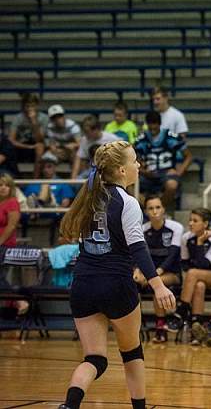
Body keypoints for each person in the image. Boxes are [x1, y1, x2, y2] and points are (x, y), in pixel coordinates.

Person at [57, 140, 175, 409]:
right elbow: (138, 249)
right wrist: (158, 286)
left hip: (83, 284)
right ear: (122, 170)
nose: (139, 165)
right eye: (134, 161)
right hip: (116, 285)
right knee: (132, 352)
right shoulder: (127, 201)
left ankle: (70, 405)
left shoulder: (86, 198)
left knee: (94, 359)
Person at [135, 195, 183, 344]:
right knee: (131, 283)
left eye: (157, 207)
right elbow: (138, 255)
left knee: (158, 285)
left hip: (171, 273)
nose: (155, 211)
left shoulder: (175, 227)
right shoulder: (142, 230)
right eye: (151, 208)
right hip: (149, 274)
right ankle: (136, 327)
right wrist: (137, 270)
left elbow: (173, 256)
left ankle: (160, 328)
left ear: (163, 209)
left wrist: (154, 274)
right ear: (146, 212)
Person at [175, 208, 211, 345]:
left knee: (193, 273)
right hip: (196, 278)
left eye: (195, 221)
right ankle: (197, 328)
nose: (191, 223)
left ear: (205, 224)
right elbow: (184, 263)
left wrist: (200, 243)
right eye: (190, 220)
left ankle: (181, 310)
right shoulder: (186, 238)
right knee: (199, 285)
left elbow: (204, 265)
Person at [134, 111, 192, 208]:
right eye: (150, 125)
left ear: (159, 124)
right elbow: (134, 159)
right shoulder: (141, 139)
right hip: (147, 175)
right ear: (147, 125)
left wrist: (178, 172)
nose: (152, 128)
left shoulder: (170, 137)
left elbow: (188, 156)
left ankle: (160, 209)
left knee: (172, 185)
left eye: (155, 124)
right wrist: (143, 171)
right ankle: (148, 210)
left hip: (166, 173)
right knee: (129, 185)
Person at [23, 151, 75, 223]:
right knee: (31, 197)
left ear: (55, 167)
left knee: (45, 186)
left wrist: (57, 210)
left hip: (54, 209)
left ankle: (39, 205)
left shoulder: (62, 183)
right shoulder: (33, 184)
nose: (45, 170)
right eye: (43, 167)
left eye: (49, 167)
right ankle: (37, 206)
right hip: (35, 212)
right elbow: (25, 201)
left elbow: (65, 203)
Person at [9, 93, 47, 178]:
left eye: (32, 106)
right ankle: (15, 177)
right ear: (23, 106)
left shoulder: (44, 118)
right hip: (22, 146)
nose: (30, 109)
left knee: (40, 146)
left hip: (37, 146)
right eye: (27, 106)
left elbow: (40, 139)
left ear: (37, 105)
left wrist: (34, 121)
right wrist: (28, 147)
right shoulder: (18, 118)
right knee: (8, 148)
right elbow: (11, 140)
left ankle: (35, 180)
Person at [0, 174, 21, 247]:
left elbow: (12, 226)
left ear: (11, 188)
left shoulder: (12, 202)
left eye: (7, 185)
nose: (3, 188)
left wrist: (0, 241)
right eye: (0, 185)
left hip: (5, 244)